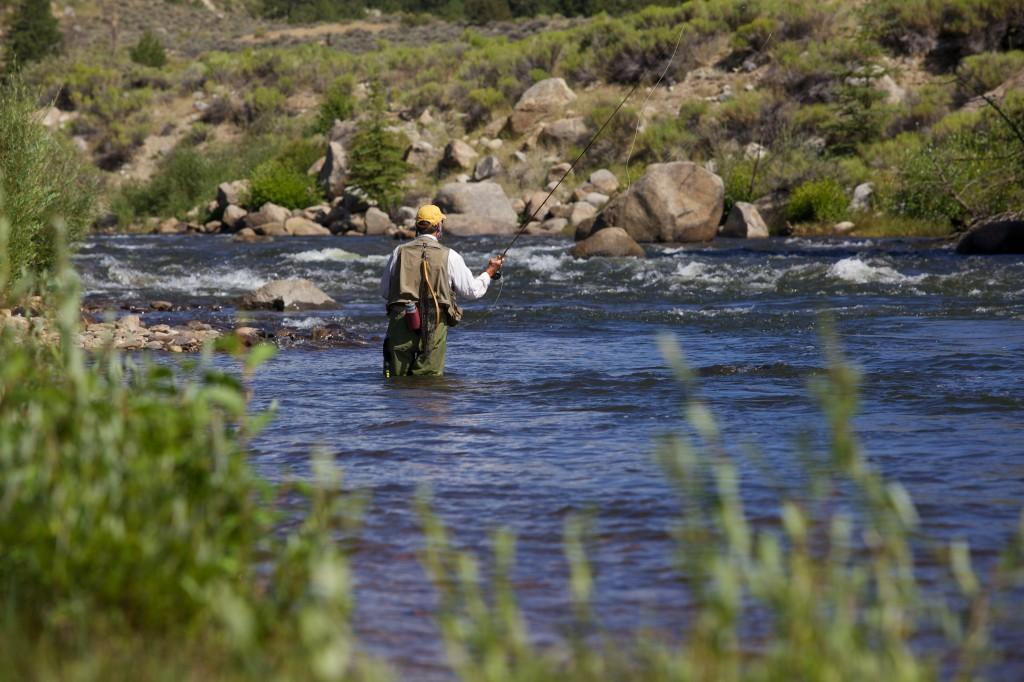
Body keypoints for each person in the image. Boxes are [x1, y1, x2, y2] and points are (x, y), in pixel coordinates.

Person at [379, 205, 505, 377]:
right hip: (435, 321)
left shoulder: (398, 252)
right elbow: (472, 291)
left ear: (417, 226)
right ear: (438, 227)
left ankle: (402, 405)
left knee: (396, 378)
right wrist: (490, 271)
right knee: (428, 382)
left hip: (401, 321)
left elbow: (385, 291)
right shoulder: (451, 256)